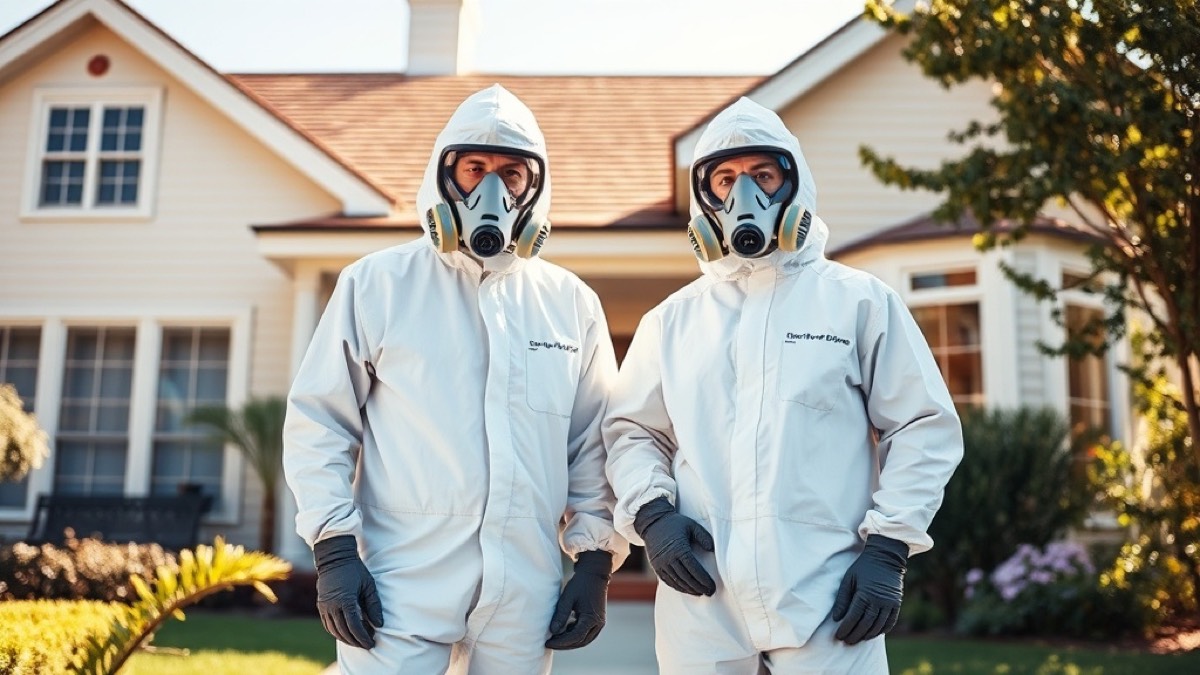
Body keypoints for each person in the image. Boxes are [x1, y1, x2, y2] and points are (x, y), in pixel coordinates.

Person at [603, 97, 963, 673]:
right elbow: (631, 432)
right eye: (725, 179)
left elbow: (922, 426)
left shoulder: (858, 302)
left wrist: (889, 549)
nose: (744, 195)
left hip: (827, 591)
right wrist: (653, 516)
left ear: (794, 187)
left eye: (762, 176)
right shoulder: (672, 320)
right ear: (706, 199)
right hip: (704, 598)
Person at [283, 84, 628, 675]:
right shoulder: (377, 285)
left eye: (512, 174)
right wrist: (335, 548)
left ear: (533, 188)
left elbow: (592, 443)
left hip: (525, 588)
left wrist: (595, 561)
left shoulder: (570, 303)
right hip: (400, 581)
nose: (492, 189)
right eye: (475, 169)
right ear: (446, 178)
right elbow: (320, 420)